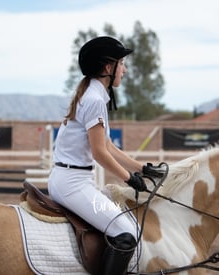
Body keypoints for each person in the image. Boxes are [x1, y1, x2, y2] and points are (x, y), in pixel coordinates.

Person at [48, 36, 164, 275]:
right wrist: (128, 178)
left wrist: (142, 168)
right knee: (126, 235)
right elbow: (99, 153)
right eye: (122, 63)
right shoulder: (94, 99)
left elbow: (108, 146)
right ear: (108, 68)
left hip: (70, 180)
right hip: (73, 185)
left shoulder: (94, 95)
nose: (126, 69)